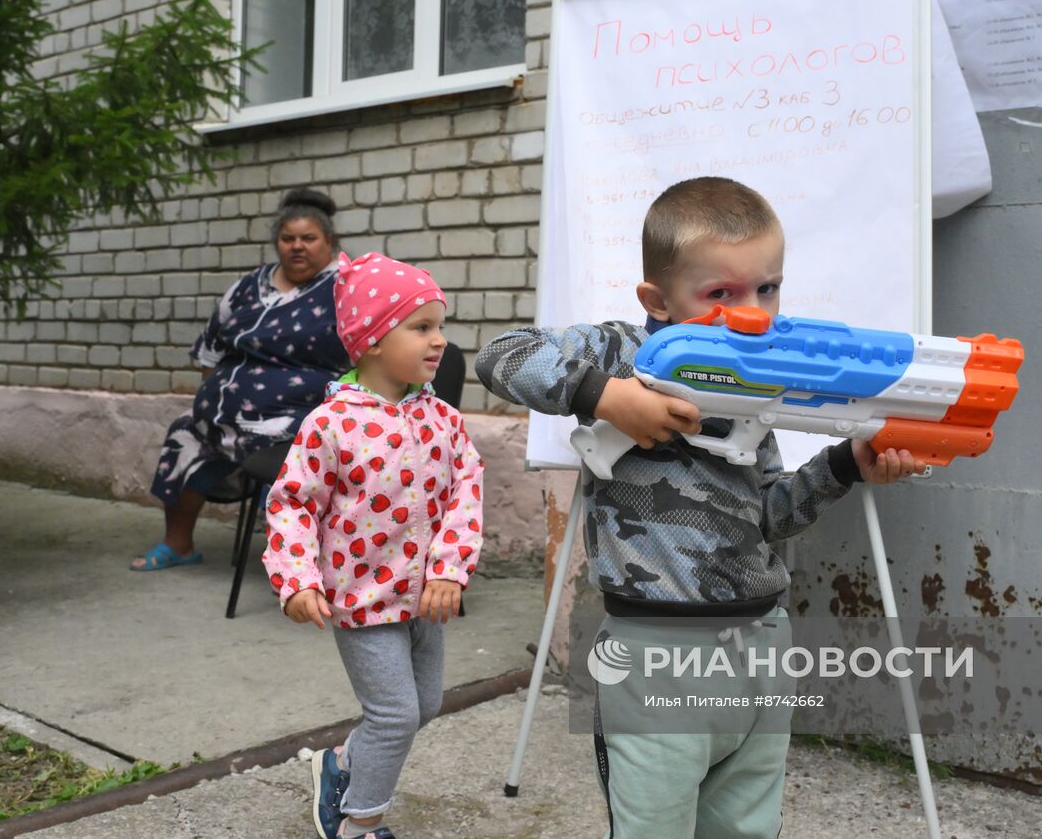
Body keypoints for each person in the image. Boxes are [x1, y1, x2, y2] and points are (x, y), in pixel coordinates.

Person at [475, 176, 925, 838]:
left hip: (761, 650)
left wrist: (841, 467)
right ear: (657, 299)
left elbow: (766, 513)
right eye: (721, 294)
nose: (753, 312)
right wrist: (606, 394)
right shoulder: (623, 350)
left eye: (767, 287)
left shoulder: (753, 381)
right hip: (658, 653)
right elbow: (500, 355)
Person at [263, 251, 484, 839]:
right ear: (372, 341)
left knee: (424, 707)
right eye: (421, 327)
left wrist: (450, 568)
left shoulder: (444, 419)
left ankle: (339, 764)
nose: (439, 341)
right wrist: (297, 580)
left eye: (441, 325)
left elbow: (466, 491)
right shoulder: (331, 423)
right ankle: (361, 823)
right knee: (394, 715)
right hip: (360, 599)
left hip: (426, 598)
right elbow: (292, 503)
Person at [132, 188, 351, 571]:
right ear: (277, 243)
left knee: (291, 460)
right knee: (185, 433)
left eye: (308, 238)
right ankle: (178, 545)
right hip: (225, 421)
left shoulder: (345, 289)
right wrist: (215, 400)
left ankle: (299, 563)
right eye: (288, 239)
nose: (297, 247)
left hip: (300, 421)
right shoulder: (249, 286)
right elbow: (212, 349)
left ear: (329, 243)